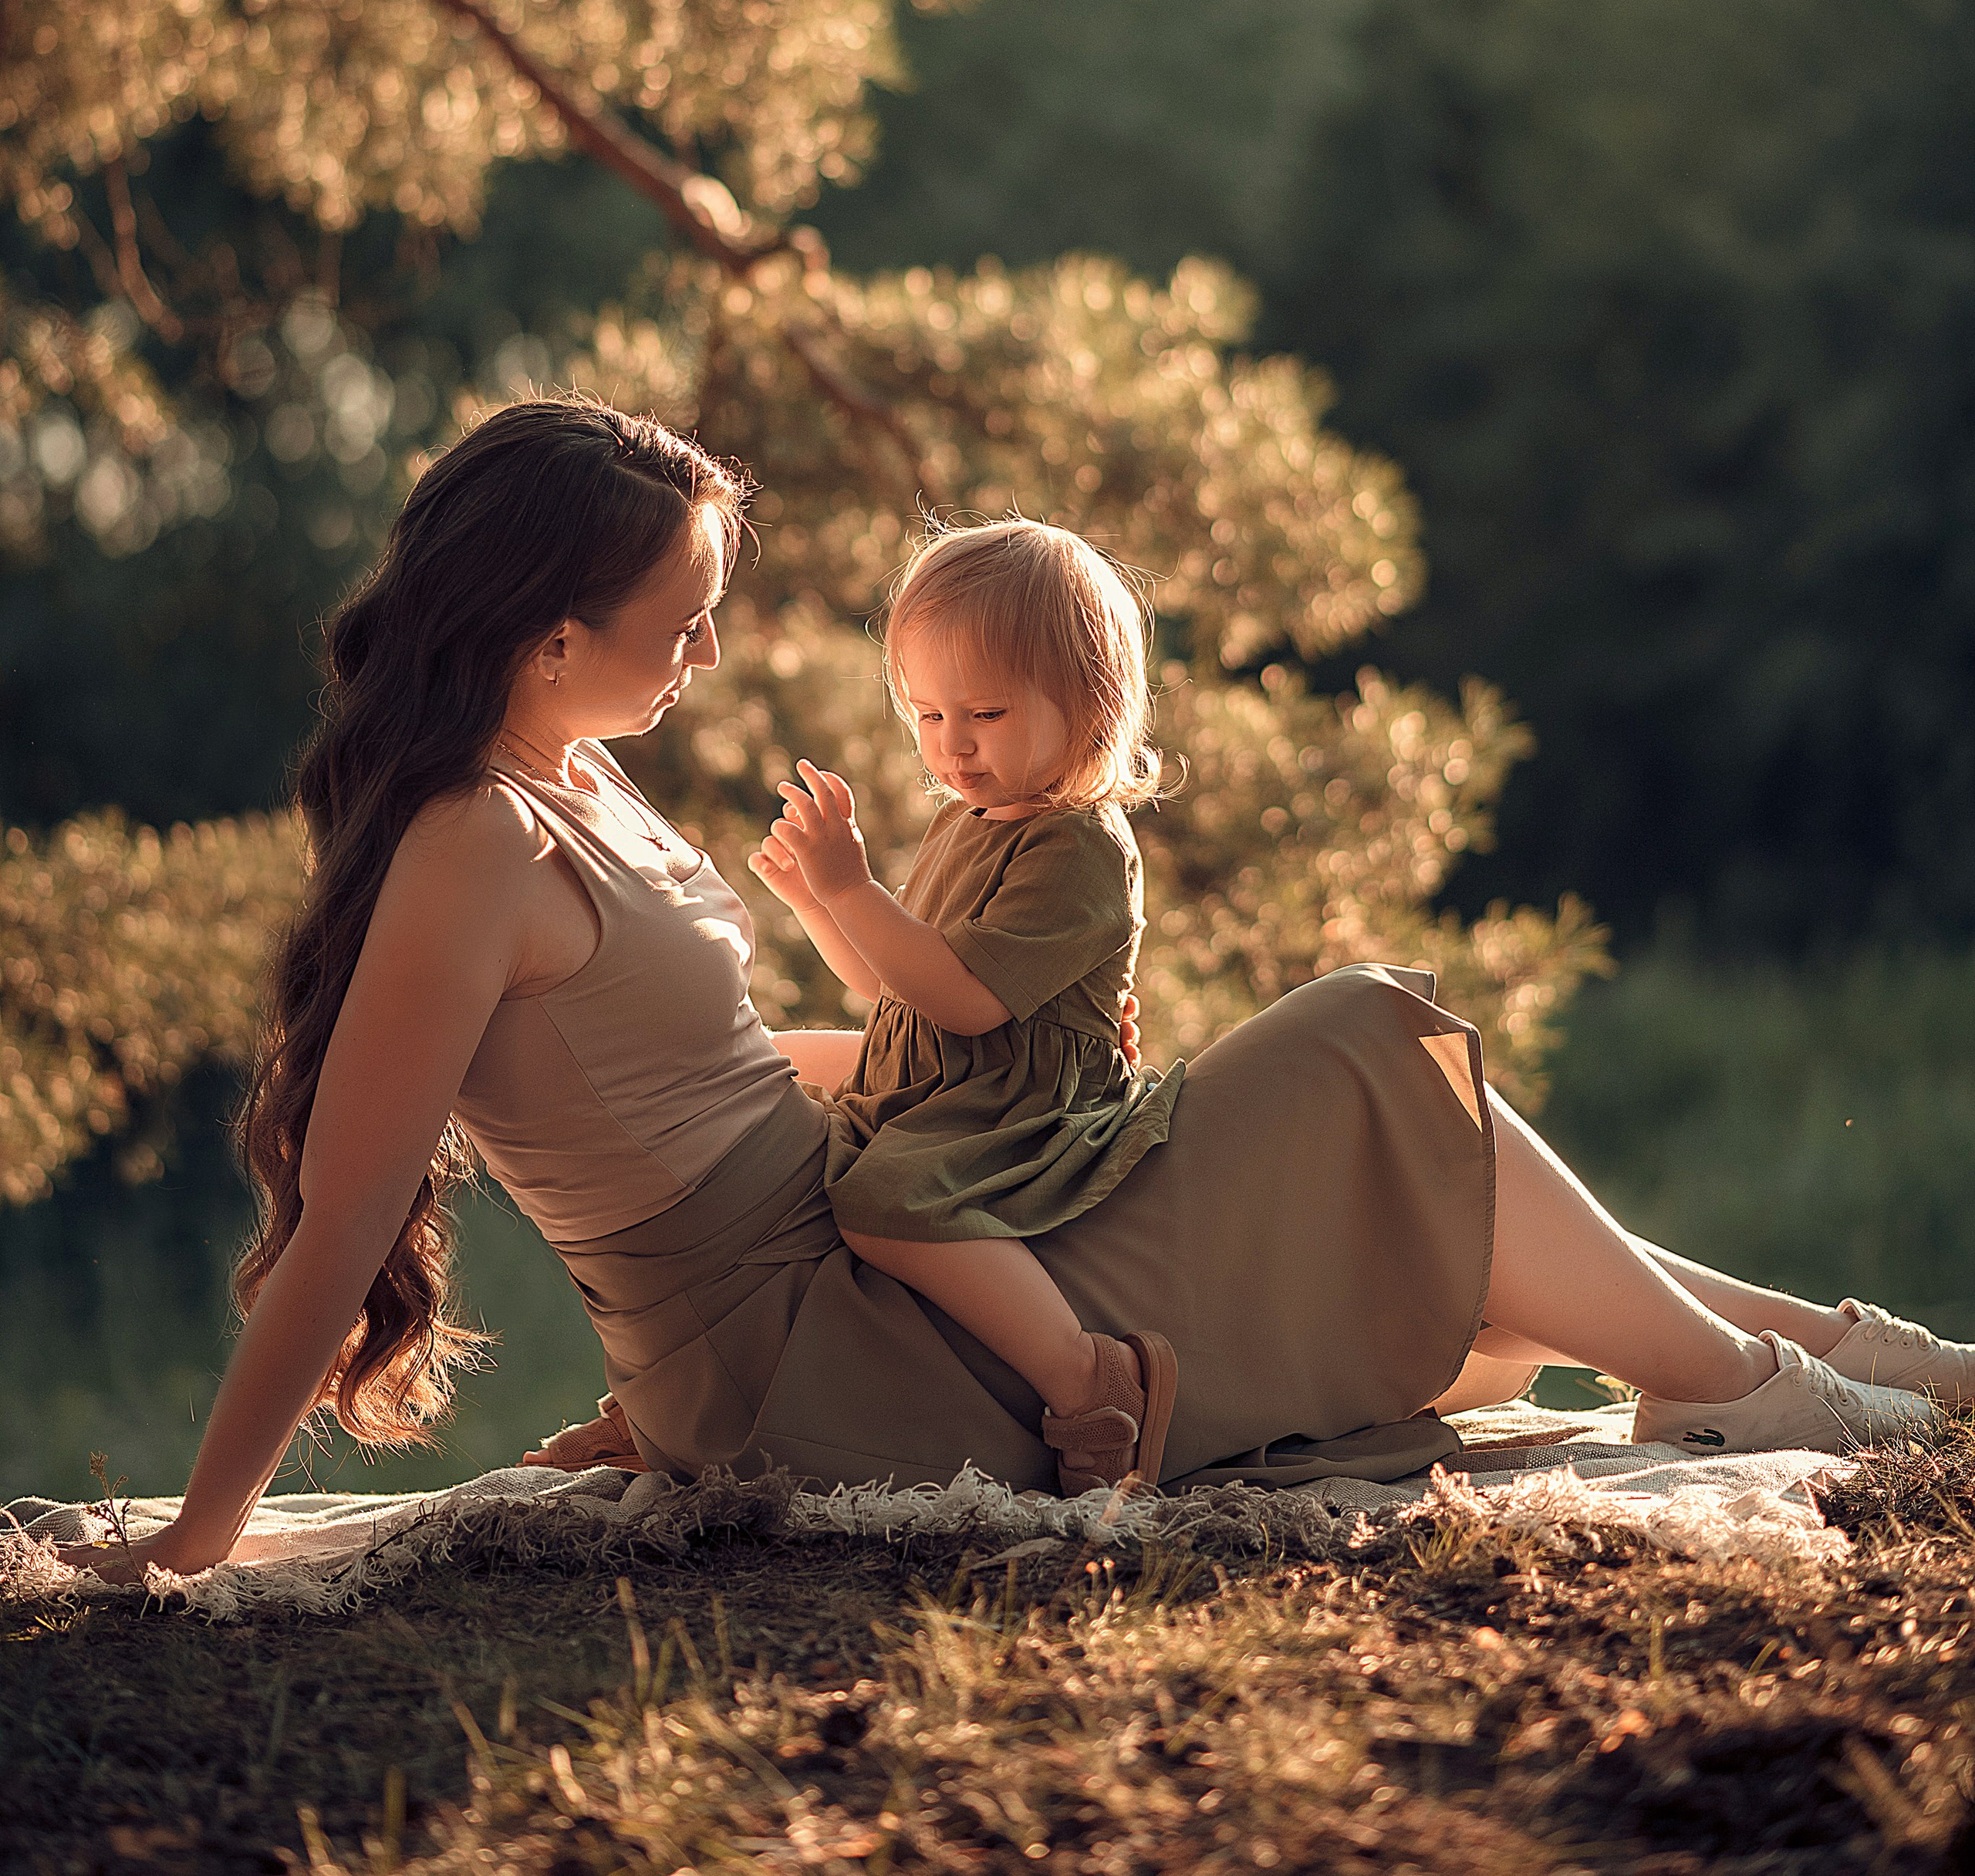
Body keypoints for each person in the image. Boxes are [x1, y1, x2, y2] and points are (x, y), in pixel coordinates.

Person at [59, 398, 1973, 1584]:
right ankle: (1754, 1388)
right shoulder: (472, 847)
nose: (708, 649)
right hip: (829, 1350)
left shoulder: (576, 777)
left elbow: (711, 1076)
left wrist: (1023, 1072)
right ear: (552, 636)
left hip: (883, 1229)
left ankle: (1819, 1354)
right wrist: (198, 1543)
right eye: (681, 620)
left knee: (1344, 1111)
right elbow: (346, 1216)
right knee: (1370, 1040)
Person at [748, 520, 1183, 1495]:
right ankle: (697, 1382)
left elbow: (969, 1000)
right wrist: (816, 902)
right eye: (928, 713)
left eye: (985, 712)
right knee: (753, 1067)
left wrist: (853, 888)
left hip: (1017, 1100)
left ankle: (1088, 1378)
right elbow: (887, 985)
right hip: (932, 1067)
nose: (952, 743)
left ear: (1092, 704)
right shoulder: (964, 821)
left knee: (881, 1205)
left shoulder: (1080, 847)